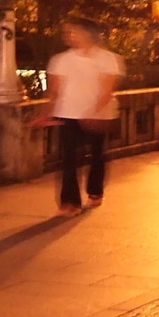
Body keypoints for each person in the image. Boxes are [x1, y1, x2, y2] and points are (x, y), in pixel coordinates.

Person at [47, 18, 124, 216]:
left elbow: (107, 90)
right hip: (68, 114)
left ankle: (95, 190)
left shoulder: (107, 59)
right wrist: (47, 112)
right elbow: (55, 90)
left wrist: (93, 112)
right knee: (69, 160)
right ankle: (70, 203)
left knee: (98, 155)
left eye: (73, 31)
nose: (69, 35)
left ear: (88, 34)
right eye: (67, 32)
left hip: (98, 115)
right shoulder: (61, 60)